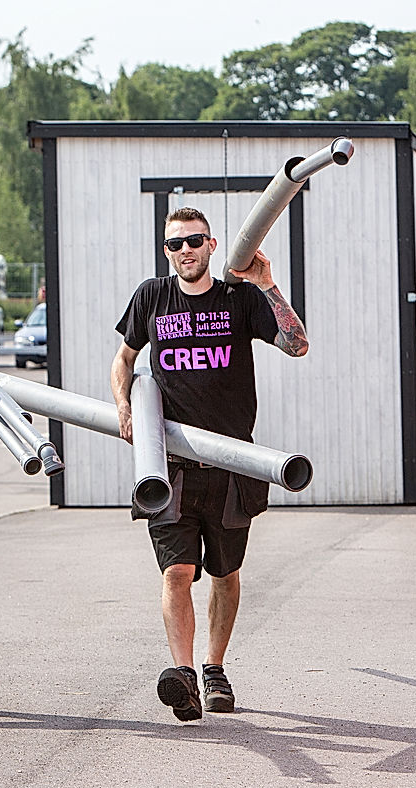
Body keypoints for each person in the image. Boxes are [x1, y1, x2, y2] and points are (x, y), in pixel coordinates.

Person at [110, 207, 308, 722]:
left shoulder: (237, 299)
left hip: (231, 464)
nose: (184, 251)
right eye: (174, 244)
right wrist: (125, 404)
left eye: (193, 241)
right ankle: (184, 675)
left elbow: (297, 344)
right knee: (177, 571)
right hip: (169, 468)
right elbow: (125, 359)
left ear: (213, 244)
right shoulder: (152, 297)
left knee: (225, 572)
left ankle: (214, 667)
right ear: (166, 250)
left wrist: (266, 284)